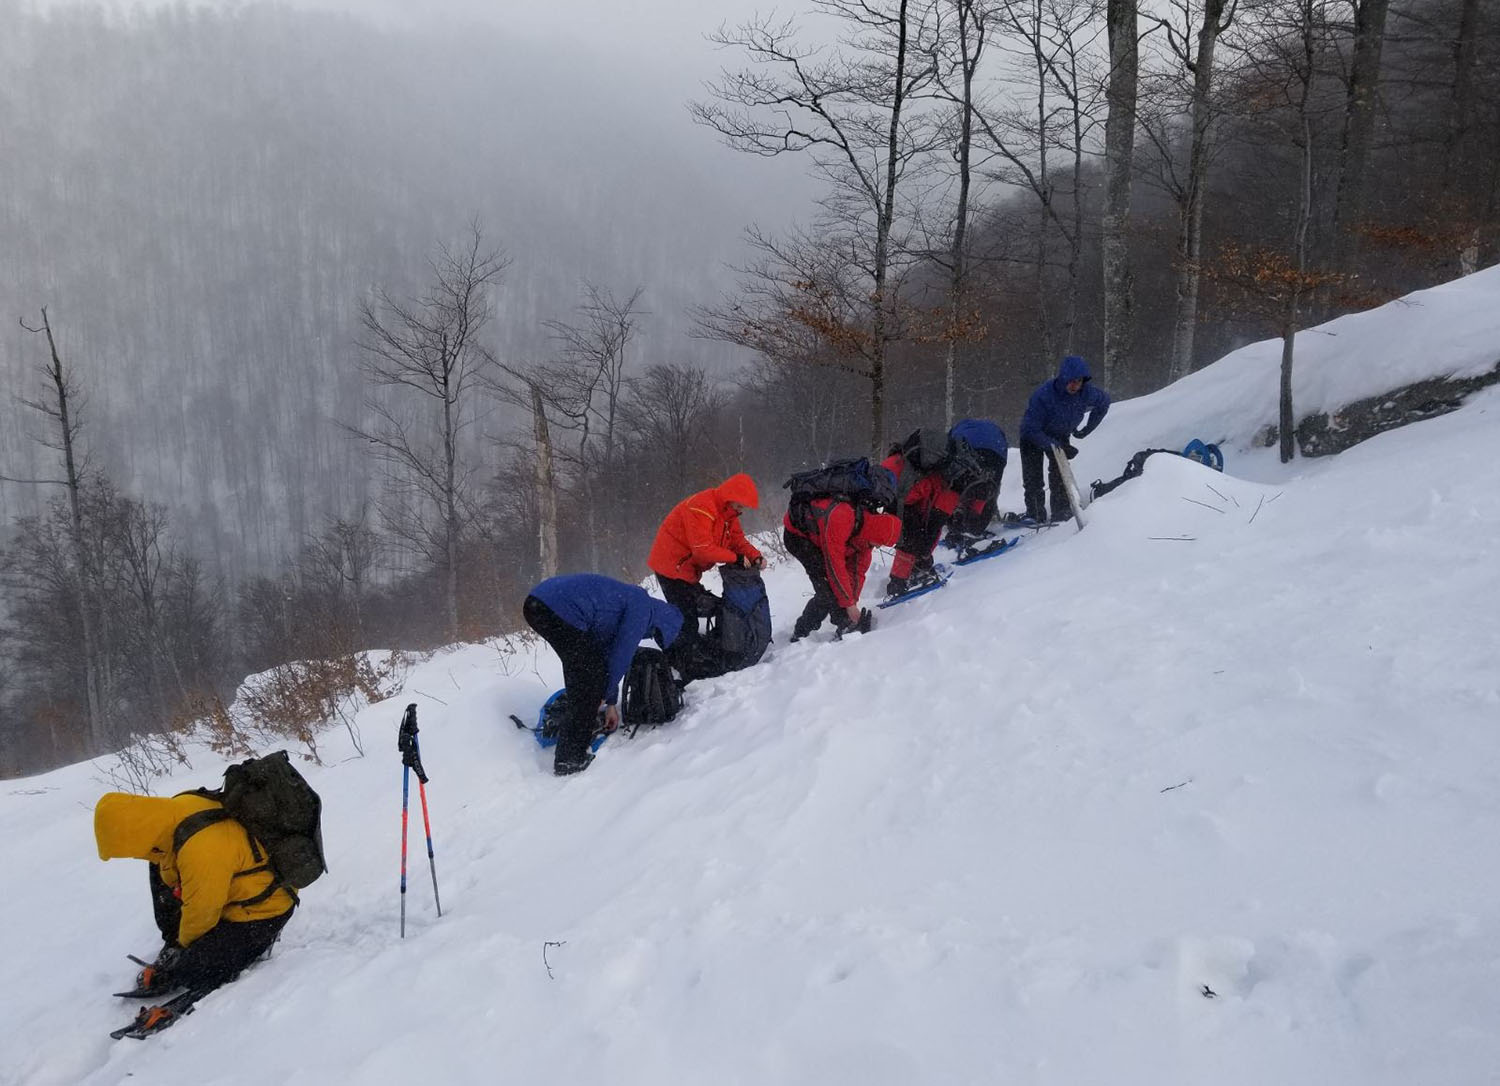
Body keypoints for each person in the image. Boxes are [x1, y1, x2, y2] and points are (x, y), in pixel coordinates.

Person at [94, 790, 297, 1020]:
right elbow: (170, 866)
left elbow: (203, 913)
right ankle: (180, 948)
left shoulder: (201, 848)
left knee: (195, 970)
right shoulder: (173, 810)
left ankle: (252, 947)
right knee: (157, 864)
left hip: (265, 909)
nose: (131, 855)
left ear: (133, 833)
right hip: (235, 886)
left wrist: (184, 954)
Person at [523, 573, 685, 776]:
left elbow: (604, 655)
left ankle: (575, 722)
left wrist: (609, 703)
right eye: (656, 633)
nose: (651, 635)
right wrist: (601, 694)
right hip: (558, 608)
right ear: (663, 622)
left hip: (538, 604)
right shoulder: (642, 608)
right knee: (590, 680)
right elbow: (621, 655)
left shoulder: (628, 603)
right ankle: (569, 759)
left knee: (583, 668)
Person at [647, 473, 764, 662]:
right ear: (730, 498)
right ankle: (681, 661)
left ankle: (694, 648)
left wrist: (755, 555)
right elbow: (702, 550)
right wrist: (736, 558)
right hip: (671, 568)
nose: (742, 509)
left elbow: (737, 540)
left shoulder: (728, 513)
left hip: (687, 570)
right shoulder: (701, 508)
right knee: (687, 619)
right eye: (740, 504)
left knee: (705, 608)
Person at [783, 467, 903, 641]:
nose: (877, 547)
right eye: (880, 543)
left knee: (836, 592)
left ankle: (844, 622)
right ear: (877, 534)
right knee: (826, 591)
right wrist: (848, 605)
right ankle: (800, 634)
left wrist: (851, 602)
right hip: (798, 537)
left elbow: (857, 572)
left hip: (822, 537)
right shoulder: (842, 517)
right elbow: (834, 566)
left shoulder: (867, 537)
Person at [1019, 355, 1110, 523]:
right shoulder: (1044, 395)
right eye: (1071, 381)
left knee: (1060, 474)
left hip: (1059, 434)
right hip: (1032, 437)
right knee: (1033, 478)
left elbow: (1104, 403)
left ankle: (1061, 513)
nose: (1075, 385)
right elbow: (1031, 428)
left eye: (1079, 381)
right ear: (1063, 378)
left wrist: (1086, 430)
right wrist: (1053, 446)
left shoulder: (1087, 393)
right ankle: (1035, 514)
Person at [880, 429, 970, 597]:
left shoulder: (931, 465)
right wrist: (924, 553)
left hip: (891, 479)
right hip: (898, 490)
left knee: (913, 535)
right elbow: (934, 527)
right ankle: (897, 583)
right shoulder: (949, 487)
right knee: (911, 539)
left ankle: (916, 569)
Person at [945, 418, 1008, 544]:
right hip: (997, 451)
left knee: (959, 486)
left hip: (970, 448)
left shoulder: (958, 429)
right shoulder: (994, 430)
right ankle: (978, 523)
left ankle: (958, 522)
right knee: (989, 488)